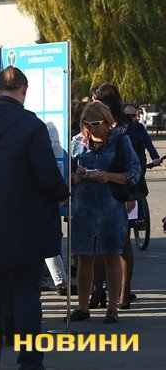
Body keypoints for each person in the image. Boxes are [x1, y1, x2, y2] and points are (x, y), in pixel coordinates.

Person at [0, 66, 69, 370]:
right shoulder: (30, 125)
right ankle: (30, 362)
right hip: (24, 226)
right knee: (27, 295)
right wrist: (62, 192)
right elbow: (46, 173)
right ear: (24, 90)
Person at [66, 100, 141, 324]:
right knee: (84, 257)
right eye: (86, 124)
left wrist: (109, 176)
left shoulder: (120, 140)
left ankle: (112, 308)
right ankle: (82, 307)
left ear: (108, 122)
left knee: (111, 255)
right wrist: (77, 177)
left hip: (111, 207)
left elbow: (134, 171)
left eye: (95, 124)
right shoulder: (77, 142)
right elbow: (67, 178)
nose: (90, 129)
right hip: (83, 207)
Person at [91, 83, 161, 307]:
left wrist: (131, 193)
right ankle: (98, 292)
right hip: (101, 192)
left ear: (105, 101)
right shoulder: (97, 124)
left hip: (124, 190)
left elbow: (135, 162)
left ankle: (124, 293)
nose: (93, 103)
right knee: (98, 243)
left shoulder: (125, 127)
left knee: (122, 243)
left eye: (96, 99)